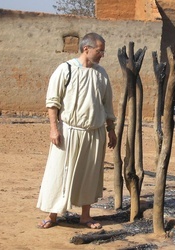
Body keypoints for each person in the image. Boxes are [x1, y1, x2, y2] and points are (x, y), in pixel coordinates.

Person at [37, 32, 117, 229]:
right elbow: (52, 102)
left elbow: (107, 106)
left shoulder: (101, 73)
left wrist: (111, 130)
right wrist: (54, 129)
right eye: (100, 51)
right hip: (69, 131)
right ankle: (52, 215)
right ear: (86, 49)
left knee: (89, 174)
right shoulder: (65, 70)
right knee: (60, 172)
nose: (102, 55)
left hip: (94, 132)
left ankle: (85, 216)